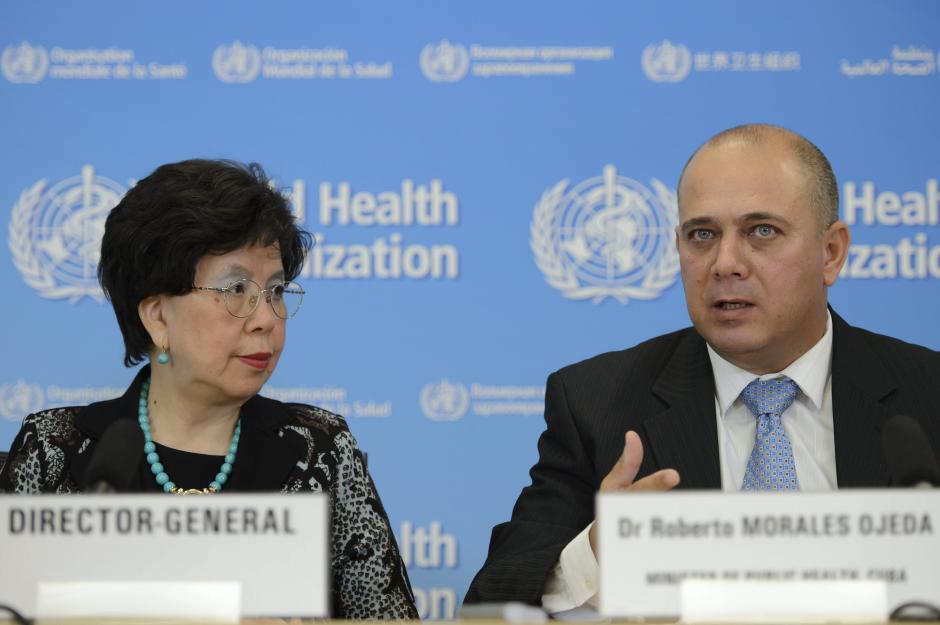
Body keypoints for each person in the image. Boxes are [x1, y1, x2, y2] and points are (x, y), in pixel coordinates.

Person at [464, 124, 940, 611]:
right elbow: (491, 599)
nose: (725, 262)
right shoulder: (597, 402)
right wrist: (599, 552)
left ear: (831, 252)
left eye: (762, 231)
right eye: (703, 235)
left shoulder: (928, 398)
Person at [0, 159, 418, 619]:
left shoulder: (320, 451)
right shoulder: (57, 450)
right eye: (236, 289)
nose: (265, 318)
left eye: (276, 290)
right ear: (158, 316)